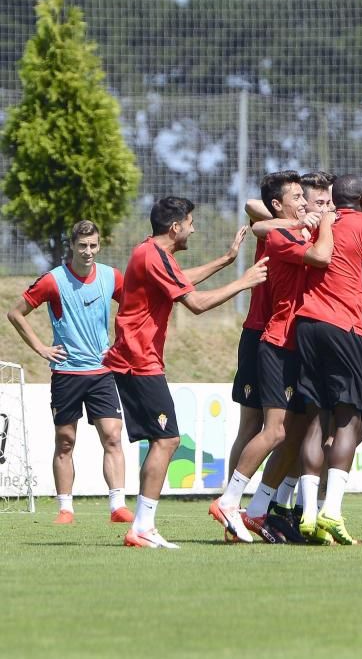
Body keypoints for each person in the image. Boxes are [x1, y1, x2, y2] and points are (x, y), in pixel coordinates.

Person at [104, 197, 268, 548]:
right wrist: (245, 282)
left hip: (140, 360)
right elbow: (195, 303)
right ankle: (142, 527)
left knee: (164, 440)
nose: (194, 228)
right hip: (137, 361)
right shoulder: (150, 255)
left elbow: (182, 281)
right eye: (190, 222)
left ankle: (143, 526)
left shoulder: (153, 255)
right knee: (167, 440)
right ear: (175, 227)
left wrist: (227, 261)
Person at [211, 171, 335, 544]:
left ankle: (259, 509)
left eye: (307, 197)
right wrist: (301, 219)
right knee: (261, 427)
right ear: (279, 205)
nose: (307, 203)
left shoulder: (297, 228)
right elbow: (256, 213)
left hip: (295, 342)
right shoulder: (279, 230)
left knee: (288, 430)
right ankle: (230, 505)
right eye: (298, 197)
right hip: (266, 337)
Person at [7, 220, 132, 525]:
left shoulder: (111, 276)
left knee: (113, 437)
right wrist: (40, 347)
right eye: (82, 246)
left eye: (93, 246)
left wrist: (122, 343)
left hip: (102, 371)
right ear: (72, 247)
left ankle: (118, 506)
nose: (88, 252)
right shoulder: (54, 280)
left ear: (99, 246)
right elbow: (15, 312)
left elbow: (133, 307)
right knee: (65, 440)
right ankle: (65, 509)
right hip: (66, 373)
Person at [294, 174, 362, 545]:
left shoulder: (322, 223)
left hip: (306, 325)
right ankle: (331, 511)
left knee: (316, 419)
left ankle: (307, 515)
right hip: (344, 326)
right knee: (348, 419)